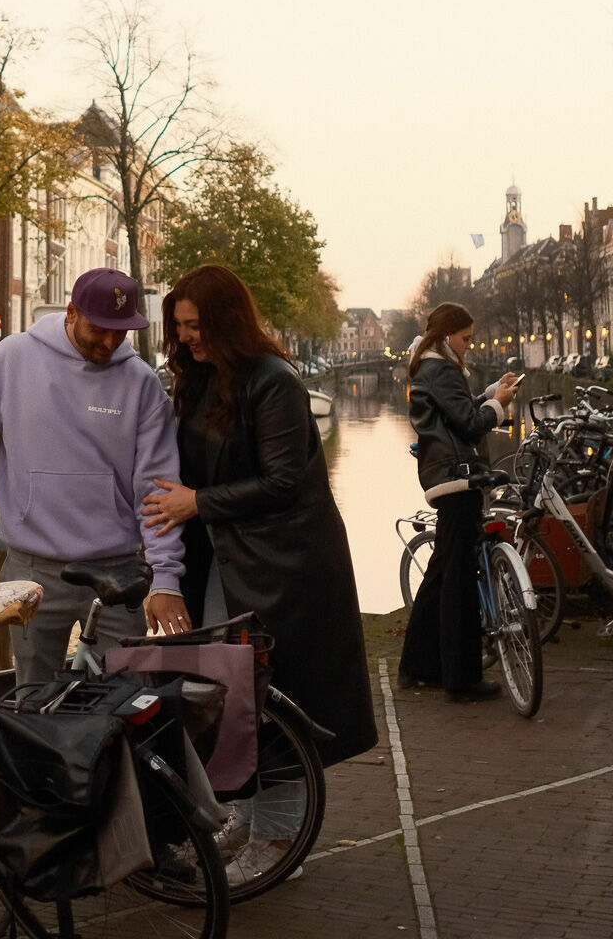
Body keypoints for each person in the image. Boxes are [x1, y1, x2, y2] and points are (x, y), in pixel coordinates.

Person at [140, 265, 378, 883]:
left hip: (284, 567)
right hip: (232, 561)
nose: (185, 337)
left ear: (224, 322)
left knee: (276, 699)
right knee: (233, 696)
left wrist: (197, 502)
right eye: (179, 327)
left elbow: (284, 482)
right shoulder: (202, 379)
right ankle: (248, 817)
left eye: (195, 326)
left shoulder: (273, 382)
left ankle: (278, 843)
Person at [0, 268, 189, 686]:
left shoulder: (141, 385)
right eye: (99, 329)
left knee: (127, 699)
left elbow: (156, 491)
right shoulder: (14, 358)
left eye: (120, 332)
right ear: (71, 313)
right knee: (32, 696)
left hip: (117, 572)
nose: (109, 343)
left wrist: (165, 577)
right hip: (32, 569)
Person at [397, 302, 520, 702]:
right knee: (460, 581)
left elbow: (455, 411)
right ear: (447, 336)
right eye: (465, 338)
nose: (469, 345)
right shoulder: (442, 369)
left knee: (440, 575)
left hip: (444, 476)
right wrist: (497, 404)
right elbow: (469, 423)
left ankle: (418, 666)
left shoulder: (429, 368)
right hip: (459, 478)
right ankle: (462, 678)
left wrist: (490, 395)